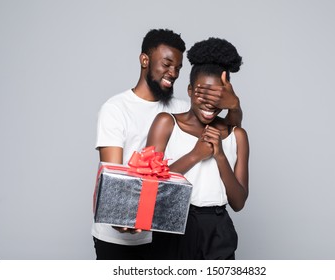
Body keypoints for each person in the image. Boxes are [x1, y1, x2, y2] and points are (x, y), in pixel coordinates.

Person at [93, 29, 243, 260]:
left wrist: (234, 105)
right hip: (121, 232)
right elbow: (113, 175)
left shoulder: (182, 108)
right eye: (167, 64)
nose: (173, 73)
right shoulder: (116, 109)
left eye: (178, 68)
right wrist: (121, 217)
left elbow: (229, 132)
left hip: (163, 227)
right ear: (145, 60)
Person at [146, 37, 249, 259]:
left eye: (217, 96)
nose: (210, 104)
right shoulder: (167, 123)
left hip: (218, 229)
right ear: (190, 90)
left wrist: (220, 156)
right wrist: (195, 155)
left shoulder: (237, 135)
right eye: (203, 94)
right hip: (173, 225)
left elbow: (238, 202)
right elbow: (148, 186)